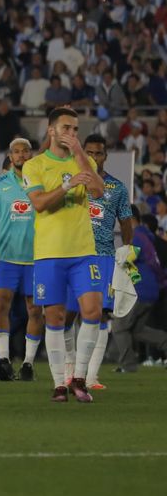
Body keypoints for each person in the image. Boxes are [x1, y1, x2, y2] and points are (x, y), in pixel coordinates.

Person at [22, 107, 105, 403]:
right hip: (50, 252)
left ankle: (79, 377)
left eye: (76, 129)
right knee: (54, 317)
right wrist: (68, 184)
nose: (71, 133)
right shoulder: (35, 166)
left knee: (93, 311)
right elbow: (41, 204)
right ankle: (60, 383)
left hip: (83, 251)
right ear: (51, 131)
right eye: (67, 128)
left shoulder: (85, 160)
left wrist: (80, 154)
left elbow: (97, 191)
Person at [0, 139, 42, 381]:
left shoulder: (42, 182)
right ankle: (2, 360)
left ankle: (28, 364)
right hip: (4, 259)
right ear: (10, 157)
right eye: (16, 151)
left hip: (35, 259)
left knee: (35, 310)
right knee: (1, 305)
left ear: (31, 155)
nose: (21, 155)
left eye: (25, 151)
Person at [73, 134, 135, 390]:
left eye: (98, 153)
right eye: (89, 152)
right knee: (71, 315)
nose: (94, 157)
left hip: (105, 256)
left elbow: (126, 223)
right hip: (74, 254)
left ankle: (91, 375)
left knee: (99, 316)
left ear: (105, 155)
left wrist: (127, 253)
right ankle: (71, 371)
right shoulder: (72, 182)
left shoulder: (117, 188)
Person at [111, 215, 167, 372]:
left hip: (139, 290)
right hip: (151, 289)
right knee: (138, 330)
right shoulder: (148, 237)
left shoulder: (136, 236)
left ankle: (128, 366)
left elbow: (126, 259)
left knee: (119, 326)